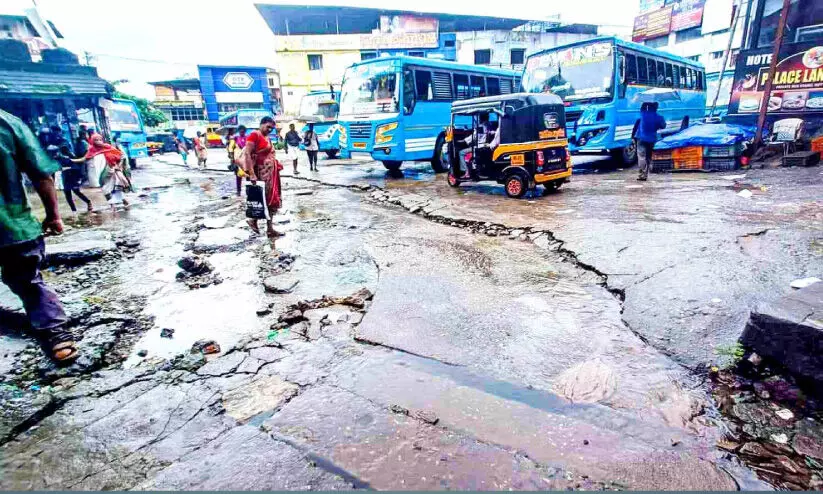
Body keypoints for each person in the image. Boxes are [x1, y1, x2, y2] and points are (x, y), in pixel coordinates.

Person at [0, 109, 77, 364]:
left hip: (12, 224)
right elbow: (41, 174)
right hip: (13, 225)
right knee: (29, 282)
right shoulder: (9, 123)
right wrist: (54, 215)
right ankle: (57, 337)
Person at [243, 116, 282, 237]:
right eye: (268, 127)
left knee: (272, 200)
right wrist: (252, 174)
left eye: (272, 128)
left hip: (271, 174)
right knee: (262, 199)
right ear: (261, 124)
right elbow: (247, 154)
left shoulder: (267, 137)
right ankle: (253, 220)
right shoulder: (254, 135)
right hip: (260, 173)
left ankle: (270, 229)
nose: (270, 129)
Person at [85, 133, 131, 209]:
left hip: (112, 170)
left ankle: (123, 201)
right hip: (101, 172)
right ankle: (113, 205)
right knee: (105, 188)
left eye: (100, 139)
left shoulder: (108, 147)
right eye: (96, 140)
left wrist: (118, 166)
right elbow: (86, 158)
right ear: (93, 141)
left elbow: (120, 155)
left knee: (116, 187)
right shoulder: (91, 150)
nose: (99, 141)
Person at [50, 144, 93, 213]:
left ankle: (88, 202)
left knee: (76, 192)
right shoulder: (53, 160)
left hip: (71, 178)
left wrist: (77, 177)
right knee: (67, 195)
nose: (53, 154)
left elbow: (76, 168)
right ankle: (74, 211)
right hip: (64, 179)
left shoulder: (66, 158)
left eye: (54, 152)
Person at [632, 102, 666, 181]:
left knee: (641, 156)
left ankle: (642, 174)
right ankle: (649, 169)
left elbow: (636, 125)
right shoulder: (658, 117)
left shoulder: (642, 115)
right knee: (648, 156)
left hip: (640, 138)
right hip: (651, 139)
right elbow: (663, 126)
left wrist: (633, 137)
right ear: (656, 108)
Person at [458, 113, 492, 178]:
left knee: (461, 152)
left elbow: (474, 137)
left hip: (479, 146)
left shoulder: (480, 126)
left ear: (481, 118)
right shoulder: (489, 125)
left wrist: (464, 141)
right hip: (486, 145)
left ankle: (466, 171)